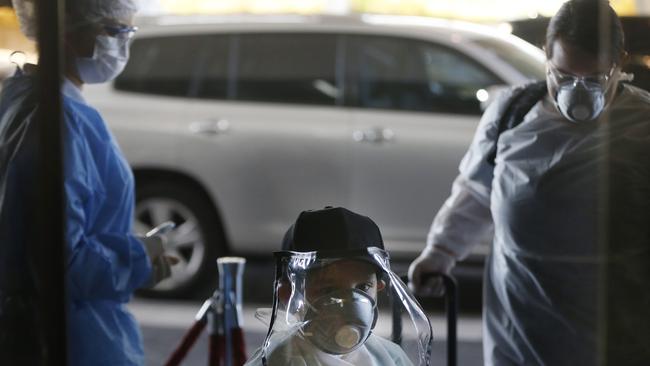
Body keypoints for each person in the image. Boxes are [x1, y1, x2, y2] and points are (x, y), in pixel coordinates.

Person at [409, 1, 650, 365]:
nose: (577, 91)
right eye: (564, 76)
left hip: (619, 332)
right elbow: (476, 191)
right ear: (546, 58)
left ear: (621, 63)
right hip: (521, 325)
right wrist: (440, 252)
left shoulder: (642, 127)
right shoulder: (512, 113)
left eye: (595, 79)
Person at [0, 0, 175, 364]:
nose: (124, 42)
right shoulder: (60, 123)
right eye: (116, 31)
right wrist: (139, 257)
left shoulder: (20, 98)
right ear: (68, 30)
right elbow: (63, 263)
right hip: (72, 338)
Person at [245, 206, 432, 366]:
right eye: (328, 290)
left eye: (362, 287)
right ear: (288, 295)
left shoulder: (389, 358)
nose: (349, 305)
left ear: (379, 288)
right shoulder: (279, 360)